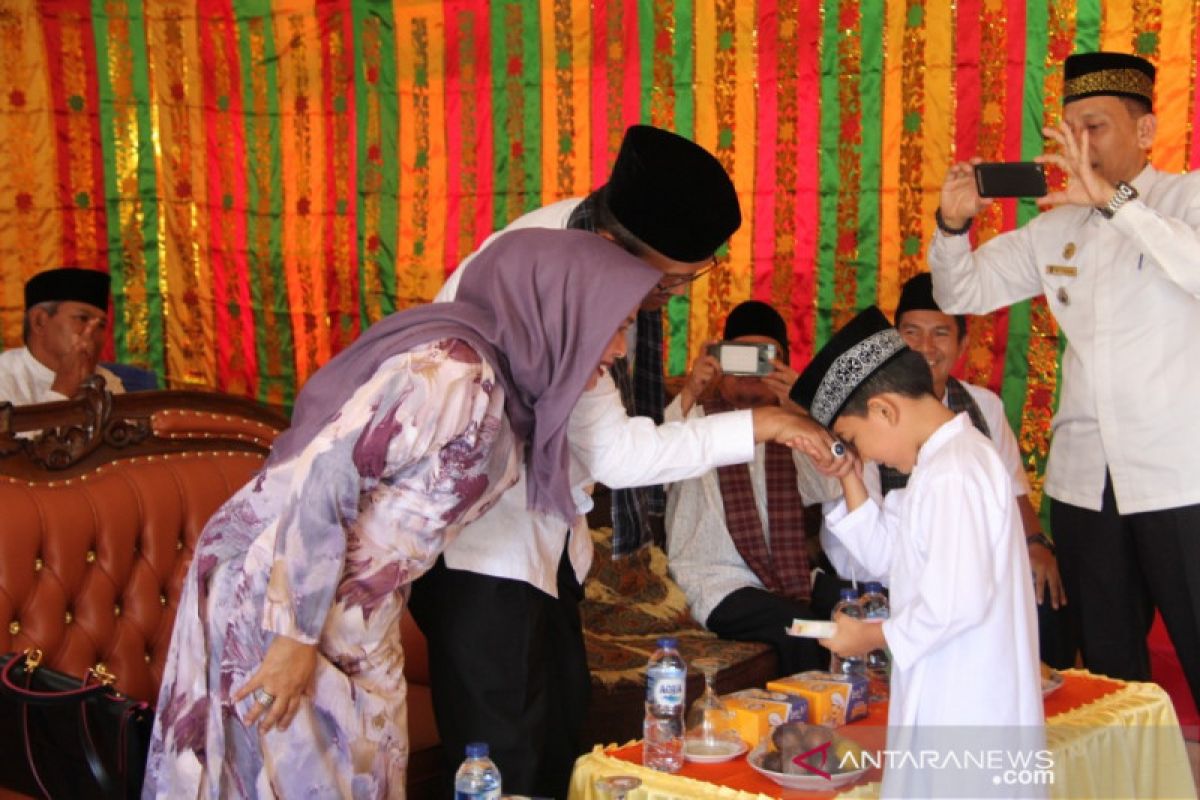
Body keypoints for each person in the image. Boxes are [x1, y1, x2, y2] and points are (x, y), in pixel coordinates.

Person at [142, 229, 663, 798]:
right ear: (561, 314)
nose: (618, 350)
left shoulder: (509, 387)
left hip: (360, 610)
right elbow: (322, 483)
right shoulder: (450, 374)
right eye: (613, 328)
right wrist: (294, 638)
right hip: (281, 592)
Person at [409, 125, 838, 798]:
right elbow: (616, 452)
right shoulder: (547, 275)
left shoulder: (592, 245)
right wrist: (762, 422)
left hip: (542, 548)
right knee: (503, 768)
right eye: (672, 282)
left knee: (560, 748)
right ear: (616, 250)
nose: (671, 296)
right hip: (482, 558)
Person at [929, 51, 1200, 698]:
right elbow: (960, 292)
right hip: (1085, 484)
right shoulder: (1056, 227)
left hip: (1180, 476)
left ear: (1143, 131)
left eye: (1097, 127)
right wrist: (952, 224)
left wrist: (1116, 203)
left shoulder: (1184, 197)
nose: (1080, 146)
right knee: (1108, 678)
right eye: (1070, 130)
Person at [790, 306, 1044, 799]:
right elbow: (891, 557)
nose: (867, 457)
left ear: (885, 410)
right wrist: (848, 479)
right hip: (946, 691)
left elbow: (959, 602)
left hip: (970, 701)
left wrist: (869, 636)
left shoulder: (954, 471)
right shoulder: (939, 462)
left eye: (854, 439)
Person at [886, 272, 1072, 668]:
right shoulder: (875, 409)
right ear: (893, 339)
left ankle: (1050, 713)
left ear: (962, 345)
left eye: (940, 333)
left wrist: (1037, 545)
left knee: (1047, 594)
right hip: (894, 562)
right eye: (911, 333)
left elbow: (1014, 491)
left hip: (975, 563)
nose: (925, 347)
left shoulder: (983, 406)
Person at [664, 300, 839, 674]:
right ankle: (808, 727)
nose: (750, 369)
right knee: (801, 628)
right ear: (720, 360)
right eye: (738, 356)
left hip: (788, 576)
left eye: (763, 358)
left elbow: (830, 484)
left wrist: (802, 408)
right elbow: (654, 466)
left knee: (860, 608)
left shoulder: (792, 424)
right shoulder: (694, 419)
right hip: (715, 580)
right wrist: (693, 388)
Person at [0, 267, 126, 404]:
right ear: (39, 321)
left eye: (101, 325)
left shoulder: (107, 380)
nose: (93, 333)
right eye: (82, 318)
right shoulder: (5, 378)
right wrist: (62, 391)